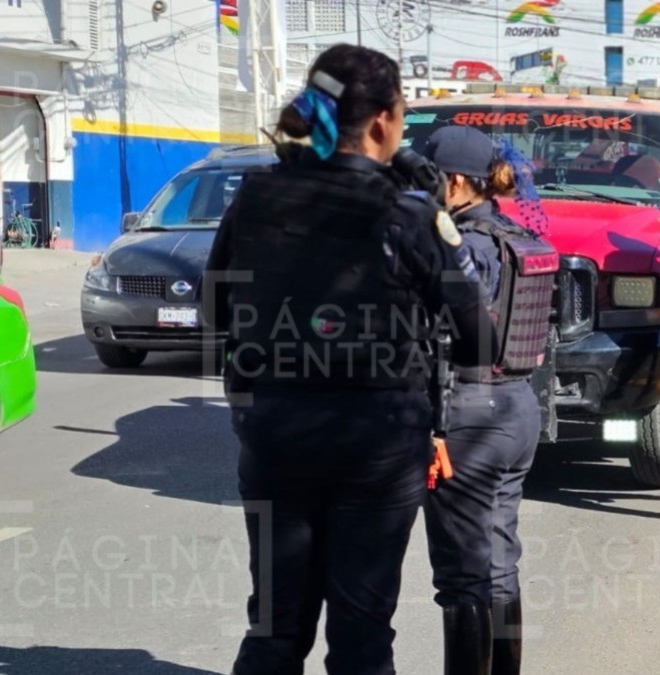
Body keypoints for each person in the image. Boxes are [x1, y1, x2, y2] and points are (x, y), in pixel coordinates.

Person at [203, 45, 498, 675]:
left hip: (274, 434)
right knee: (362, 636)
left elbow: (216, 314)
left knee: (275, 629)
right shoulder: (410, 213)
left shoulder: (255, 198)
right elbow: (479, 337)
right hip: (378, 445)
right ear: (384, 123)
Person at [420, 126, 555, 675]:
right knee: (498, 562)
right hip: (517, 406)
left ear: (453, 182)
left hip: (469, 414)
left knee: (462, 578)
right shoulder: (513, 235)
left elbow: (435, 333)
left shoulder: (463, 247)